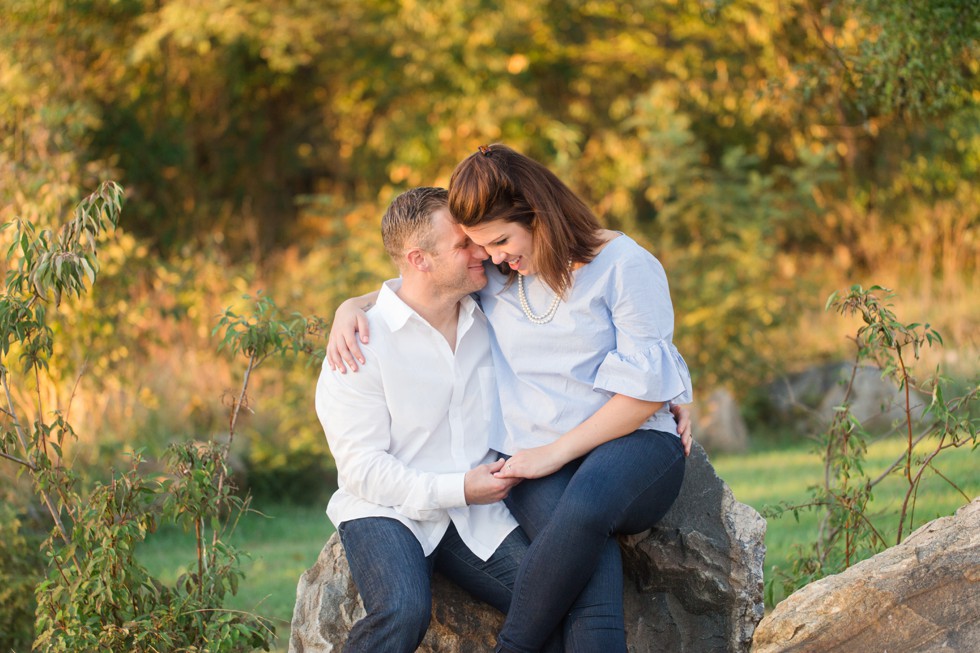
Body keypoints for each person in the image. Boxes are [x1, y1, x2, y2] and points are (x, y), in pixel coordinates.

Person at [329, 145, 693, 653]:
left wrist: (656, 392)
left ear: (538, 214)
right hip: (502, 469)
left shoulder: (615, 266)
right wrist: (352, 305)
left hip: (601, 450)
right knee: (586, 583)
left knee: (584, 519)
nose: (491, 256)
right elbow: (418, 287)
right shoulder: (497, 276)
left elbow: (643, 380)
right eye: (479, 245)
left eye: (497, 241)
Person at [316, 186, 536, 653]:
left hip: (476, 513)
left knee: (549, 600)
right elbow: (361, 468)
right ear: (419, 259)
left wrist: (656, 396)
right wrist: (457, 488)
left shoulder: (490, 304)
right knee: (402, 609)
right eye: (463, 245)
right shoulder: (360, 344)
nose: (481, 251)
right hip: (385, 509)